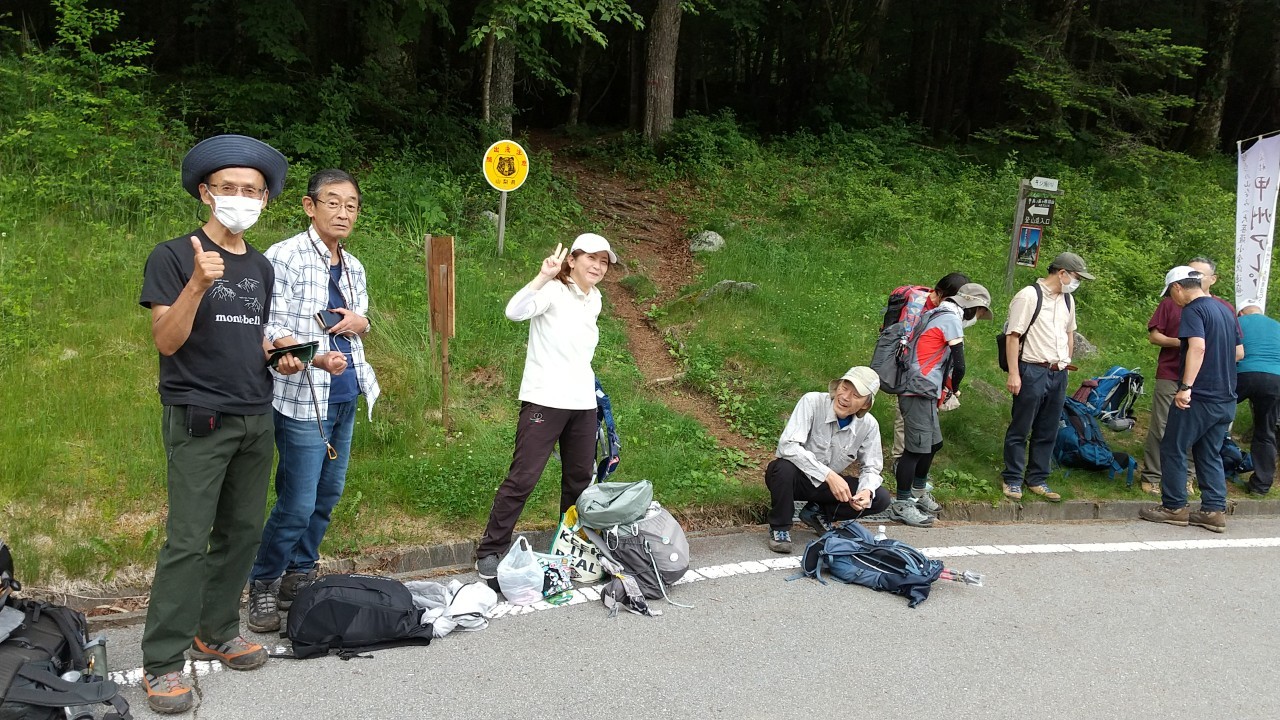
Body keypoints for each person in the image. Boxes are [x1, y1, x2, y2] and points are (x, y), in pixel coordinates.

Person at [138, 134, 301, 714]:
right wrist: (197, 284)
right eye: (230, 188)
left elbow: (242, 338)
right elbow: (166, 339)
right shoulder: (174, 255)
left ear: (266, 200)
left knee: (242, 533)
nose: (242, 197)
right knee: (187, 540)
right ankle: (161, 661)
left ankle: (215, 631)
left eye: (253, 190)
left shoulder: (259, 265)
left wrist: (278, 354)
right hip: (198, 417)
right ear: (206, 193)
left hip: (254, 414)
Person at [246, 169, 380, 633]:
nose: (343, 212)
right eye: (334, 202)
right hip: (302, 396)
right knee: (297, 500)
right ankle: (262, 581)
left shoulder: (355, 265)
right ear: (310, 206)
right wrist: (311, 357)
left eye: (351, 205)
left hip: (346, 394)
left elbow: (362, 322)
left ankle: (299, 574)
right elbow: (267, 325)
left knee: (328, 494)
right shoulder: (283, 256)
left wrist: (360, 323)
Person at [474, 233, 617, 580]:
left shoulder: (594, 299)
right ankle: (490, 551)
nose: (598, 267)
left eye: (604, 261)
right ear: (572, 259)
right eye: (591, 259)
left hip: (582, 403)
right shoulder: (553, 290)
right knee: (524, 476)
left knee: (579, 480)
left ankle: (570, 544)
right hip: (545, 399)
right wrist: (543, 276)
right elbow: (514, 311)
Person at [1140, 266, 1242, 533]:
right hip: (1226, 396)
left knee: (1173, 446)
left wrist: (1185, 387)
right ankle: (1213, 510)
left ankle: (1174, 506)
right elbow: (1237, 351)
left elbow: (1197, 347)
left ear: (1177, 288)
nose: (1172, 300)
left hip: (1201, 395)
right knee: (1209, 451)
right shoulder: (1224, 310)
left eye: (1171, 294)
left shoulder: (1194, 310)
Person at [889, 283, 993, 527]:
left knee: (933, 443)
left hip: (924, 388)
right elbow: (960, 364)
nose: (977, 318)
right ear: (971, 307)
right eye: (978, 312)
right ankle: (902, 504)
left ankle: (918, 491)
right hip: (918, 388)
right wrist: (953, 389)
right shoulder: (950, 319)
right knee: (914, 450)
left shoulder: (937, 313)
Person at [764, 367, 892, 553]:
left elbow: (872, 467)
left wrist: (866, 491)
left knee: (879, 497)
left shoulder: (869, 425)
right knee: (781, 468)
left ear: (865, 404)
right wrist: (829, 476)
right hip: (796, 480)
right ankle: (779, 527)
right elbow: (787, 446)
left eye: (856, 395)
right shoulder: (812, 401)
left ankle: (817, 513)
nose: (845, 397)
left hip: (825, 489)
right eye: (844, 387)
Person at [1001, 252, 1095, 502]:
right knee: (1021, 426)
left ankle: (1037, 478)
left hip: (1058, 371)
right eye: (1076, 277)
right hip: (1032, 369)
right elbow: (1013, 336)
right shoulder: (1029, 295)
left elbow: (1069, 333)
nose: (1077, 282)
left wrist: (1066, 361)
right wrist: (1014, 373)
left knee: (1048, 428)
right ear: (1062, 273)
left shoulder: (1068, 300)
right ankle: (1012, 478)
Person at [881, 272, 971, 465]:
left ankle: (912, 462)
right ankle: (900, 459)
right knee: (903, 413)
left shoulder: (946, 311)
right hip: (906, 366)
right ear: (939, 293)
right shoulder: (917, 307)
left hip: (928, 374)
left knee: (920, 418)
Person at [1234, 302, 1280, 496]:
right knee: (1266, 432)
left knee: (1215, 417)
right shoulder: (1277, 326)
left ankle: (1211, 470)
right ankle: (1260, 486)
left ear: (1241, 313)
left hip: (1244, 373)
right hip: (1275, 379)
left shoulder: (1237, 322)